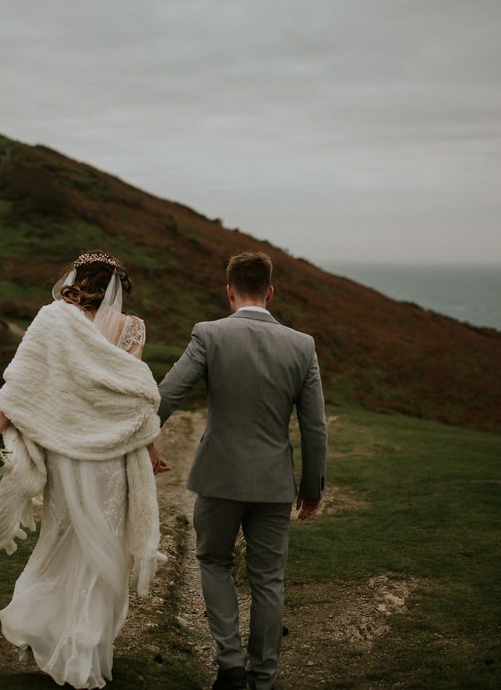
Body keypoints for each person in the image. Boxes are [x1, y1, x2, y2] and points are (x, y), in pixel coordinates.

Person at [0, 250, 169, 690]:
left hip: (66, 456)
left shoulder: (52, 319)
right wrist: (150, 450)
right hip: (110, 458)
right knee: (102, 550)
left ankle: (52, 632)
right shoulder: (131, 328)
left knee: (60, 540)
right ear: (114, 287)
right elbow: (133, 397)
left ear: (76, 279)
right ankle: (84, 650)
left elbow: (22, 387)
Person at [157, 251, 327, 690]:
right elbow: (314, 427)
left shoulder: (208, 335)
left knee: (213, 561)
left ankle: (230, 663)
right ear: (270, 291)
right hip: (273, 483)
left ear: (229, 290)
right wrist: (311, 489)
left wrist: (141, 441)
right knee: (268, 579)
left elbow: (166, 396)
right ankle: (263, 679)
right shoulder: (302, 344)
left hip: (218, 477)